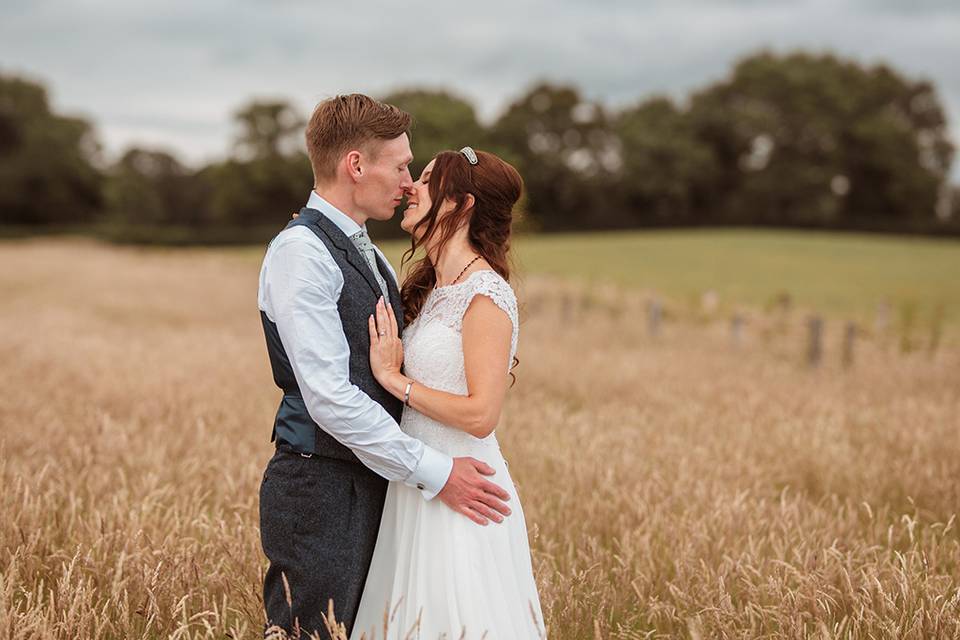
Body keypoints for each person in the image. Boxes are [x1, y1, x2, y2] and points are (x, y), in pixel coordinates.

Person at [257, 95, 512, 639]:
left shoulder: (369, 254)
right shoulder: (301, 253)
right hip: (322, 485)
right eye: (400, 167)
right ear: (356, 165)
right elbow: (329, 397)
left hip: (384, 483)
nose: (407, 182)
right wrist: (437, 472)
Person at [350, 147, 546, 639]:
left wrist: (396, 381)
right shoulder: (437, 288)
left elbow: (482, 414)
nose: (411, 186)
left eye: (428, 180)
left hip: (466, 492)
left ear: (460, 205)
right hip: (418, 484)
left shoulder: (485, 293)